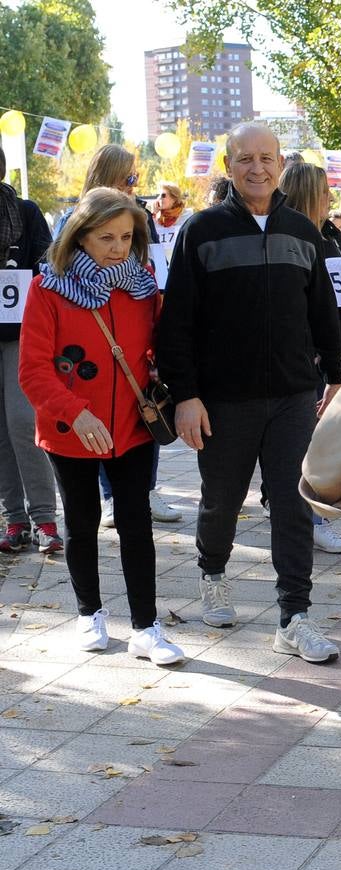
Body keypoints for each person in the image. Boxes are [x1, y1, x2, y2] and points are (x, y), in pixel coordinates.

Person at [155, 121, 341, 664]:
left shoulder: (304, 233)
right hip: (222, 402)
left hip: (293, 398)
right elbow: (177, 326)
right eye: (245, 159)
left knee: (292, 502)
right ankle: (212, 572)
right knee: (222, 502)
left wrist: (334, 378)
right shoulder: (201, 231)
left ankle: (295, 616)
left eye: (267, 158)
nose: (257, 168)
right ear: (228, 166)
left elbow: (323, 316)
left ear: (281, 163)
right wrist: (186, 394)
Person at [19, 188, 184, 665]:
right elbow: (33, 370)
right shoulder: (48, 288)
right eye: (105, 236)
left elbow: (160, 351)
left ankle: (146, 628)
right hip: (71, 429)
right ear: (80, 236)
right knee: (83, 520)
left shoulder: (143, 288)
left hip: (132, 426)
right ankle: (88, 612)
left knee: (137, 524)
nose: (117, 247)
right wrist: (76, 411)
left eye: (127, 236)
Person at [55, 144, 180, 526]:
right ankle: (109, 495)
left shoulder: (139, 215)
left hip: (135, 322)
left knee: (145, 405)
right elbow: (58, 277)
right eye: (128, 177)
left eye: (135, 178)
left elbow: (149, 264)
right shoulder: (72, 221)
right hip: (88, 343)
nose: (135, 184)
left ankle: (145, 489)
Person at [277, 161, 341, 555]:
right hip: (306, 362)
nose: (330, 199)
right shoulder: (294, 241)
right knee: (305, 444)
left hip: (332, 356)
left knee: (315, 441)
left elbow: (338, 305)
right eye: (323, 192)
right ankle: (311, 519)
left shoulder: (331, 238)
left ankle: (302, 512)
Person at [0, 144, 61, 554]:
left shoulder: (24, 211)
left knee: (24, 421)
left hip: (20, 331)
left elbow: (49, 262)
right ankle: (14, 520)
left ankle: (45, 519)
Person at [150, 181, 192, 261]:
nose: (159, 198)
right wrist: (152, 216)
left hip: (180, 262)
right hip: (161, 263)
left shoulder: (187, 215)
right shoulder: (154, 217)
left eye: (163, 195)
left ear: (174, 198)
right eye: (158, 195)